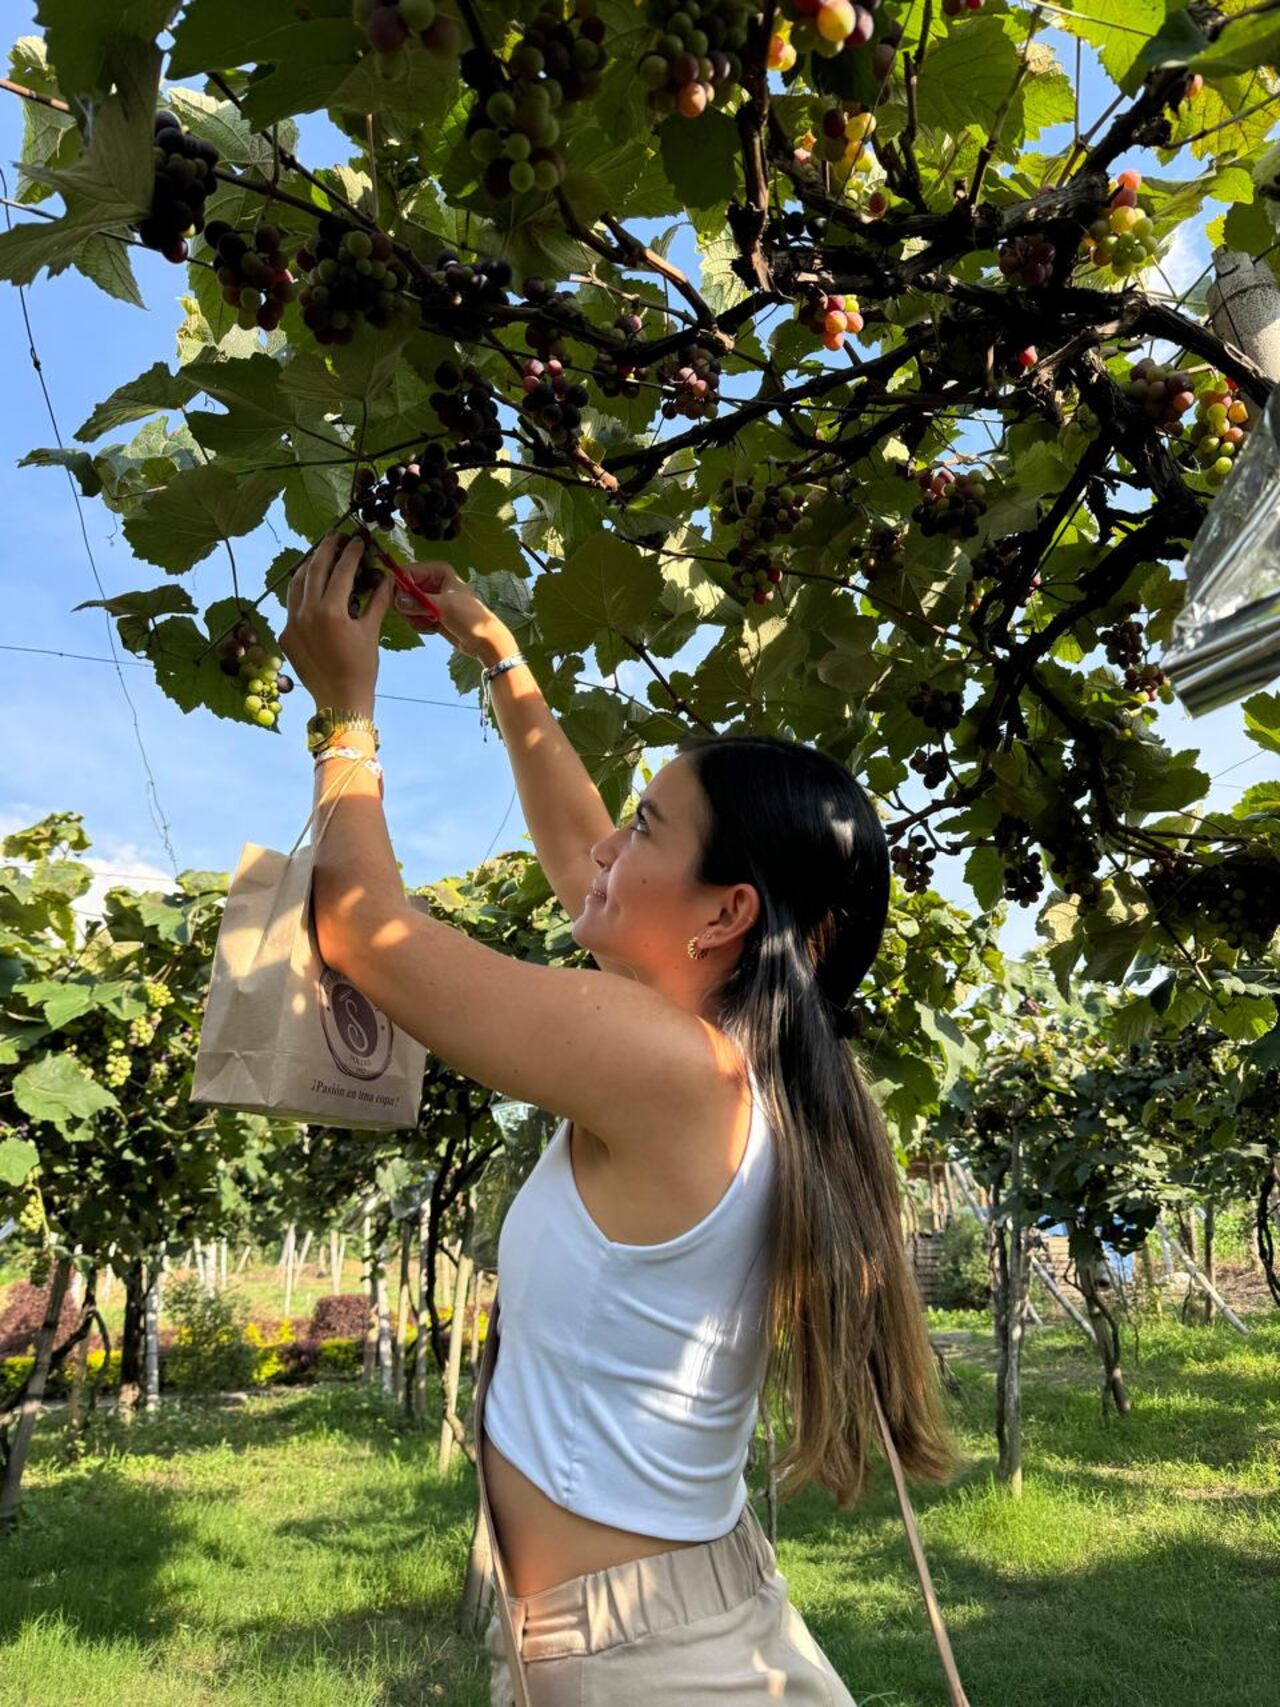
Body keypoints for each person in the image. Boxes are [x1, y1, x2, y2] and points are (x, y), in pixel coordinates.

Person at [282, 542, 959, 1705]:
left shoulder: (669, 1066)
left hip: (640, 1662)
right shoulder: (747, 1067)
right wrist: (503, 663)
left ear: (724, 915)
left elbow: (359, 926)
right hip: (666, 1615)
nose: (608, 844)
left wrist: (344, 717)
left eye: (644, 826)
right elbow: (576, 853)